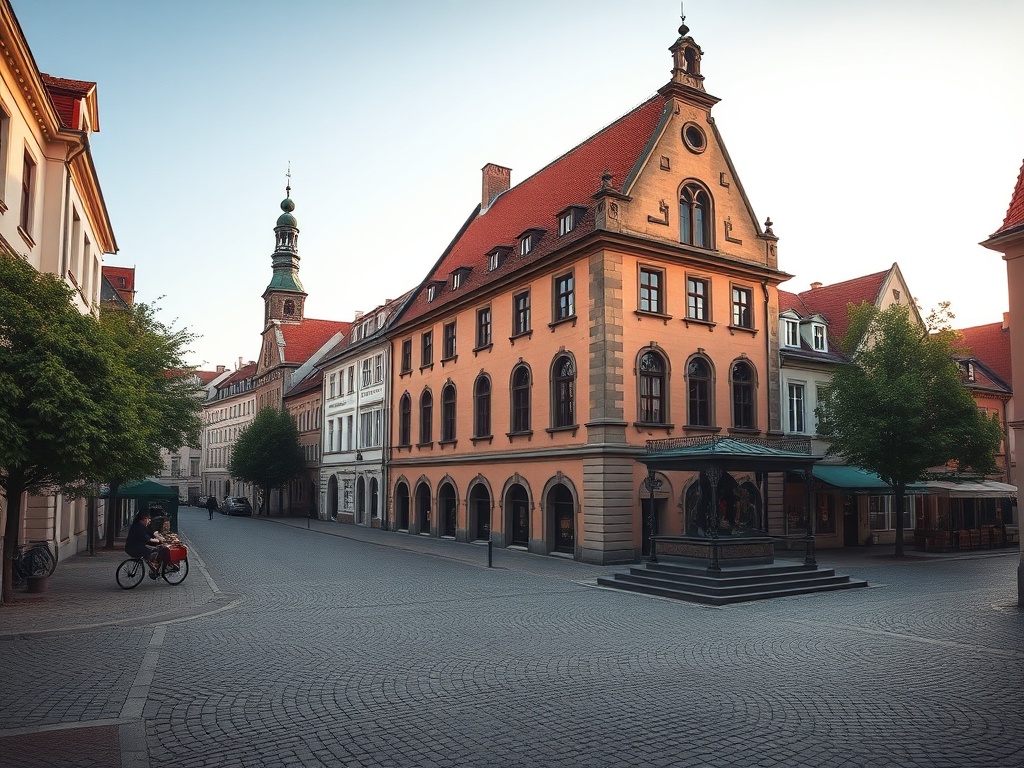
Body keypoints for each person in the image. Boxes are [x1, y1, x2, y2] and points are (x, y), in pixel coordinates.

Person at [125, 511, 162, 578]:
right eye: (148, 518)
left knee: (148, 553)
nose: (149, 520)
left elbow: (149, 533)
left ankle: (152, 568)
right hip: (136, 549)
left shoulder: (137, 525)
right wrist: (158, 540)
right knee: (156, 551)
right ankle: (154, 568)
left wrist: (155, 535)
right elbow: (148, 539)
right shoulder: (140, 527)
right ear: (143, 519)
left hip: (130, 547)